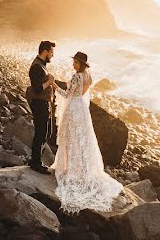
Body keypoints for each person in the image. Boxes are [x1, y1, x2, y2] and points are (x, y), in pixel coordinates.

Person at [50, 51, 124, 214]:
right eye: (74, 62)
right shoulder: (88, 76)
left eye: (76, 62)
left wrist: (54, 85)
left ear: (82, 63)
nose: (73, 65)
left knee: (71, 139)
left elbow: (67, 95)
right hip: (82, 110)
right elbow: (82, 94)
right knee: (82, 139)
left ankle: (70, 170)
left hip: (74, 109)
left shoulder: (77, 77)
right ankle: (82, 168)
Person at [26, 40, 66, 174]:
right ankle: (36, 163)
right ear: (45, 52)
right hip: (39, 103)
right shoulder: (36, 67)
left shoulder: (41, 65)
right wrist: (49, 81)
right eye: (51, 52)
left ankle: (35, 160)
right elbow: (37, 88)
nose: (52, 55)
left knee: (47, 132)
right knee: (41, 132)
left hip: (44, 102)